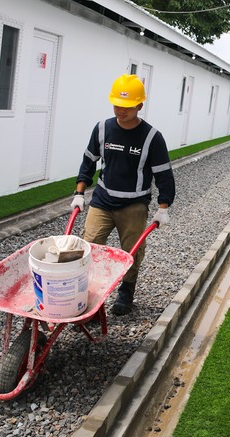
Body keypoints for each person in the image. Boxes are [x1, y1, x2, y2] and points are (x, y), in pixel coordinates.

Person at [71, 74, 175, 315]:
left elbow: (164, 175)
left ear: (139, 105)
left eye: (127, 106)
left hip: (133, 205)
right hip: (102, 200)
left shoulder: (152, 138)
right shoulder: (102, 129)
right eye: (117, 104)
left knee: (131, 251)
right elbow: (88, 162)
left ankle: (126, 292)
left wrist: (163, 207)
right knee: (90, 246)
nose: (121, 110)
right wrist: (79, 192)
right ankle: (90, 298)